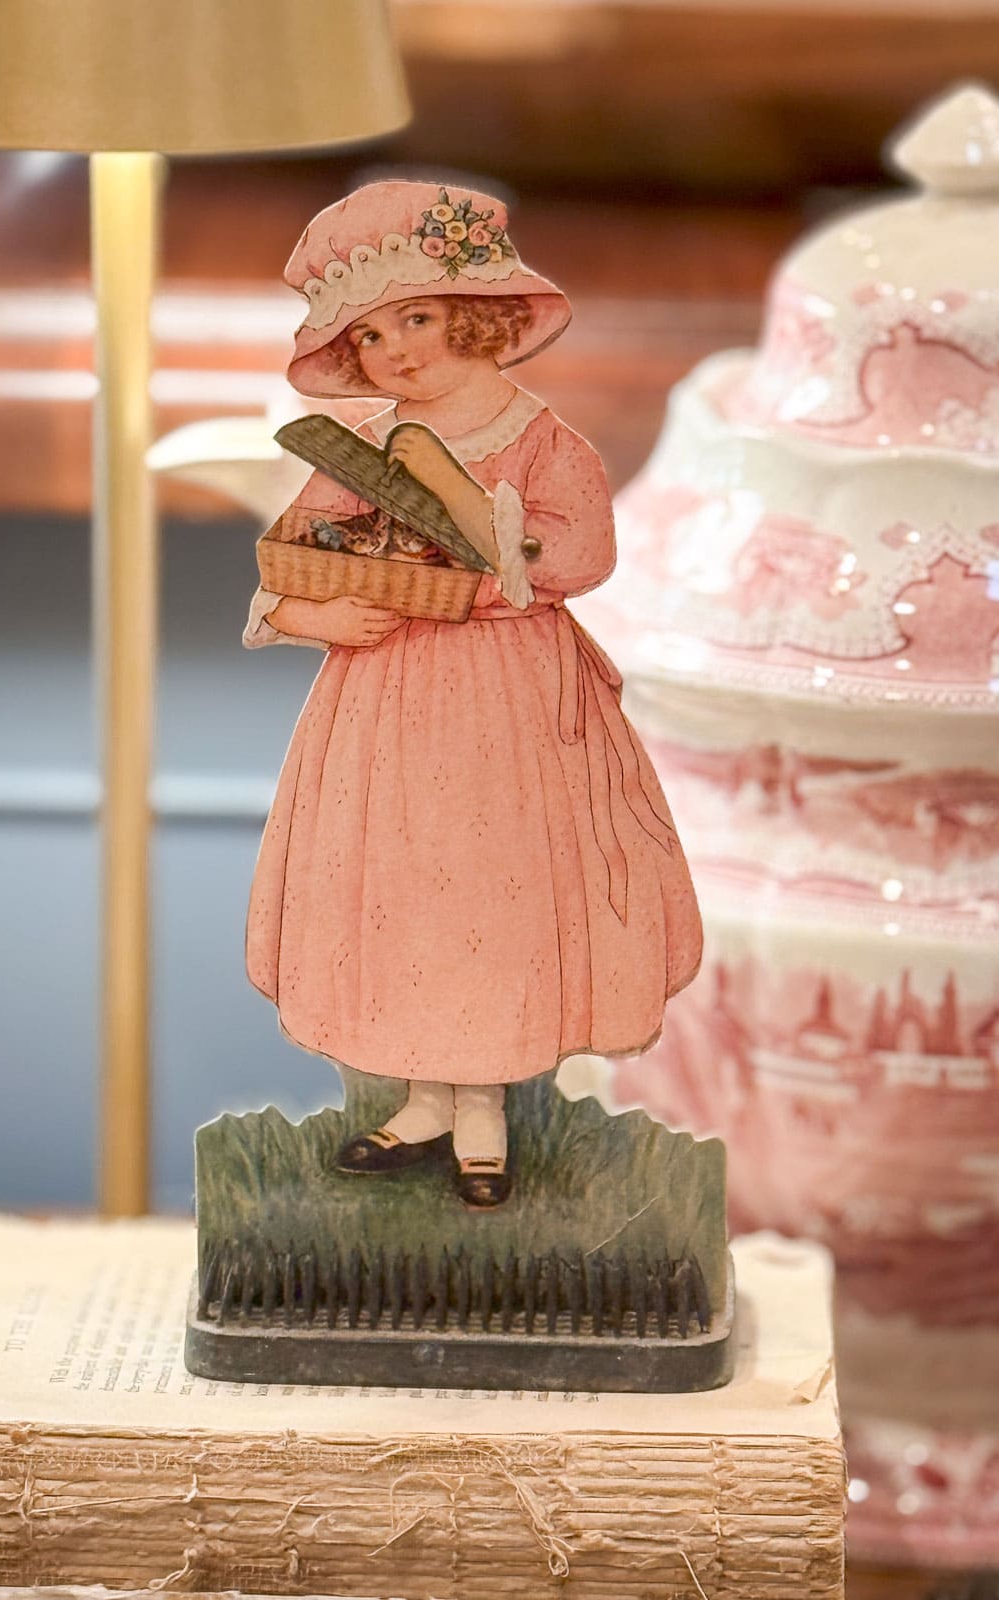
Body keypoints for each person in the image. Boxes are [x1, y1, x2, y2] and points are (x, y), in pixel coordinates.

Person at [244, 181, 702, 1208]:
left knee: (491, 892)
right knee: (404, 893)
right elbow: (288, 569)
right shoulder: (360, 451)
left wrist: (487, 554)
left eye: (416, 317)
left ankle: (485, 1108)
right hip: (382, 706)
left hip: (508, 703)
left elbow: (580, 552)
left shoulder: (544, 442)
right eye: (370, 335)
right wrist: (321, 618)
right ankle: (425, 1099)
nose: (398, 350)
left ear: (477, 316)